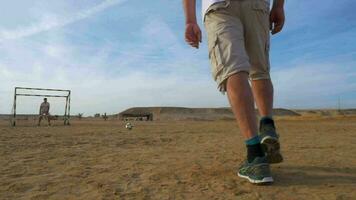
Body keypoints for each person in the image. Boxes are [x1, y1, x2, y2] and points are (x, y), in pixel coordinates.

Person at [183, 0, 285, 184]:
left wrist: (190, 20)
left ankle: (255, 156)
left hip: (221, 6)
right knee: (260, 70)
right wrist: (278, 6)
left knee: (234, 70)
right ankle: (267, 124)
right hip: (257, 6)